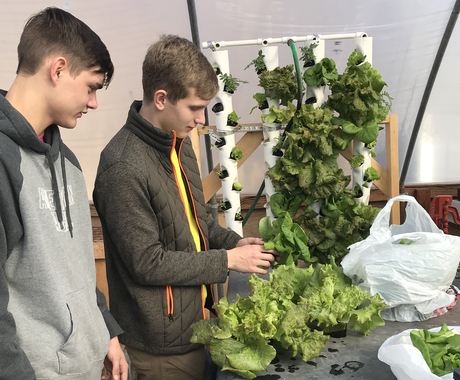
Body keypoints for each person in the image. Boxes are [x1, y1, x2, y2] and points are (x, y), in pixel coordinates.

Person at [93, 34, 277, 379]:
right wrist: (227, 261)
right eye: (194, 107)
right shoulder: (122, 167)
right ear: (161, 98)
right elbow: (147, 264)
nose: (201, 118)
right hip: (159, 347)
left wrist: (233, 243)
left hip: (196, 325)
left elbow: (199, 223)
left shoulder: (179, 145)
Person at [0, 7, 128, 380]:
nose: (94, 103)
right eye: (91, 86)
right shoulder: (4, 162)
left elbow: (76, 268)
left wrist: (105, 331)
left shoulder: (67, 162)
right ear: (57, 70)